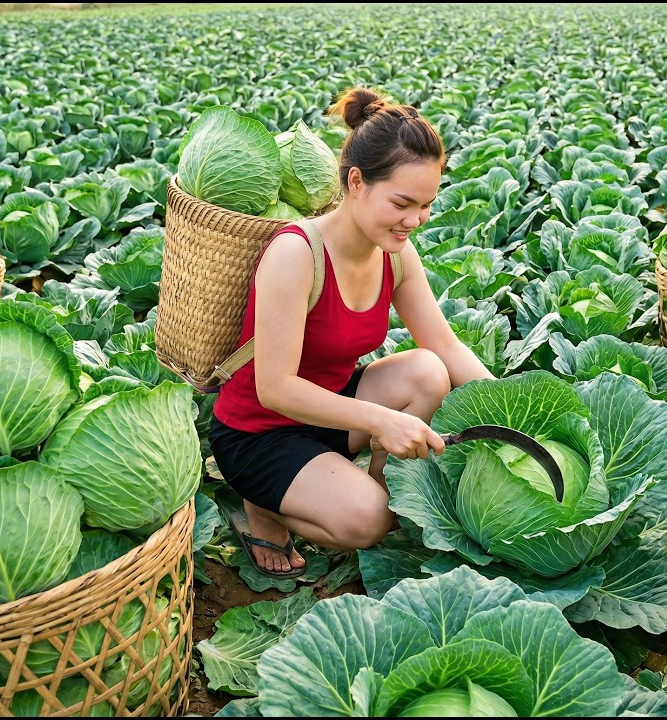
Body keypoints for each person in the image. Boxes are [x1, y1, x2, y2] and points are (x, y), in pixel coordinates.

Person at [208, 87, 496, 578]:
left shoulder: (396, 255)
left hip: (331, 409)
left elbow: (444, 344)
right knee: (367, 522)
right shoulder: (296, 253)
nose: (415, 220)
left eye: (426, 205)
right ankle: (263, 507)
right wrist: (382, 421)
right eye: (402, 203)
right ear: (357, 182)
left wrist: (514, 405)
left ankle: (373, 493)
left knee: (428, 371)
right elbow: (274, 388)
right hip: (258, 432)